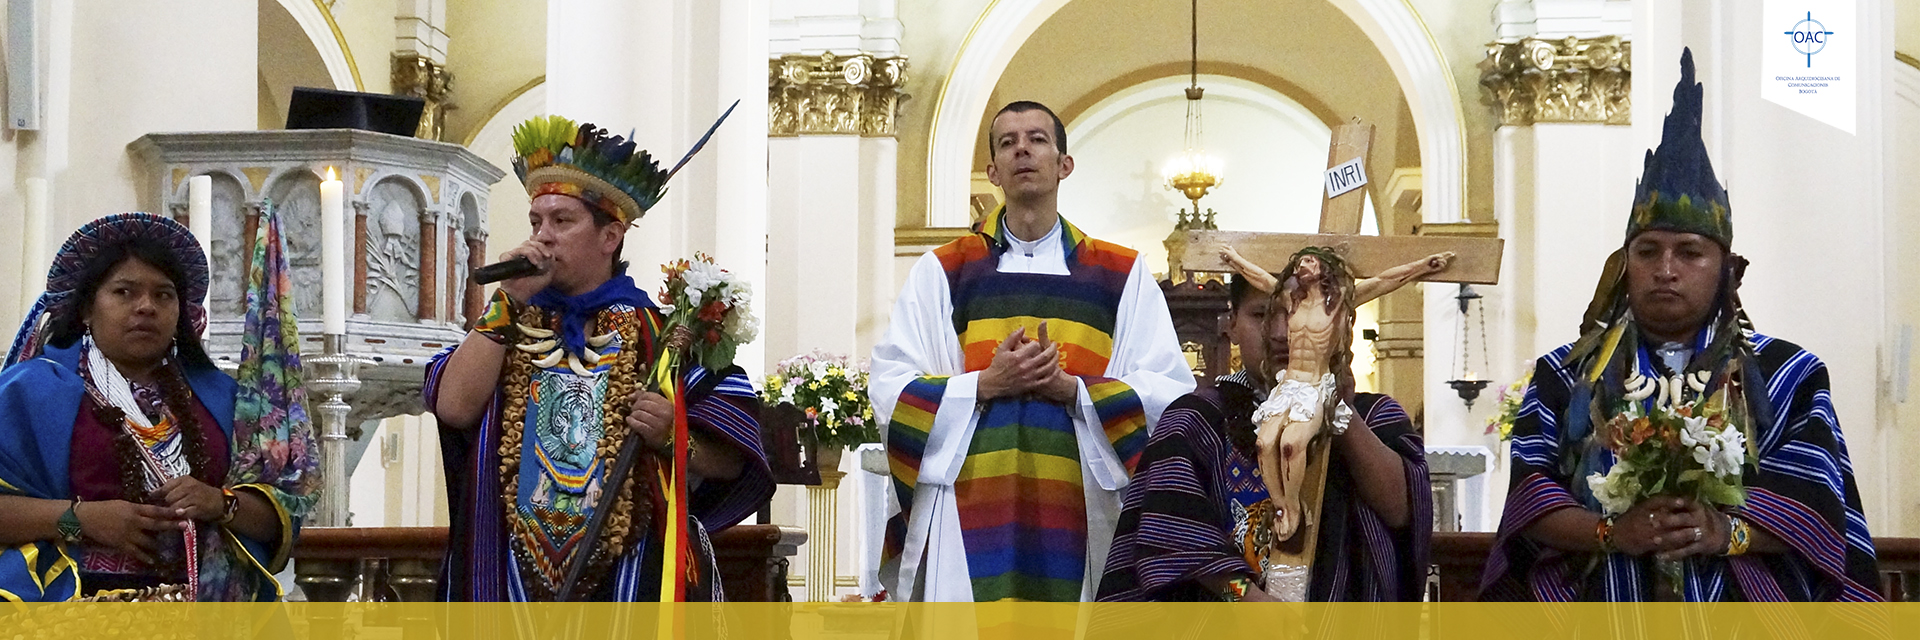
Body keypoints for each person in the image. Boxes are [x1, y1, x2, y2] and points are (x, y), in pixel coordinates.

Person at [1480, 49, 1881, 603]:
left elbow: (1816, 500)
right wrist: (1615, 533)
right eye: (1648, 251)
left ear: (1726, 271)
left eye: (1690, 252)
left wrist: (1722, 531)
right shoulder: (1564, 374)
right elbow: (1530, 496)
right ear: (1625, 265)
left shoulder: (1790, 374)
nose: (1665, 270)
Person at [426, 115, 772, 602]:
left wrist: (674, 437)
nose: (542, 236)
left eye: (562, 221)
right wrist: (507, 300)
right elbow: (454, 406)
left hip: (630, 578)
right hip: (507, 578)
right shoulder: (507, 324)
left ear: (611, 236)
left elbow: (734, 459)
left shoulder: (661, 335)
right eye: (535, 221)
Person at [871, 101, 1195, 602]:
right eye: (1007, 142)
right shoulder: (945, 271)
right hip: (969, 506)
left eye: (1038, 139)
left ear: (1064, 164)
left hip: (1081, 505)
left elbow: (1171, 394)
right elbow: (890, 384)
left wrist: (1075, 392)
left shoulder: (1119, 274)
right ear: (992, 171)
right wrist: (985, 384)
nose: (1023, 149)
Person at [0, 212, 309, 601]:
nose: (146, 307)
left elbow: (285, 513)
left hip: (207, 612)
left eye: (163, 294)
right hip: (70, 610)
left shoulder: (224, 398)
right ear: (86, 309)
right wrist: (80, 520)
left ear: (182, 313)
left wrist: (221, 503)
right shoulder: (30, 391)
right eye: (124, 292)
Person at [1097, 272, 1431, 602]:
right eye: (1261, 314)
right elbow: (1179, 548)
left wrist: (1340, 411)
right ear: (1231, 324)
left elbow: (1403, 511)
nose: (1283, 333)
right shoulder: (1195, 420)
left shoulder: (1373, 416)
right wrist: (1245, 600)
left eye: (1300, 313)